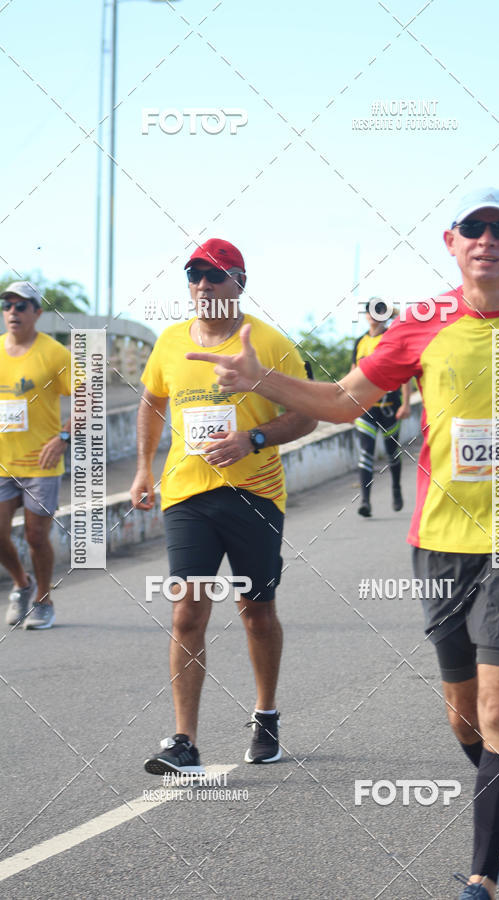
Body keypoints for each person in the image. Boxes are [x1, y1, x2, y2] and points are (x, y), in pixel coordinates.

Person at [188, 190, 499, 898]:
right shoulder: (423, 322)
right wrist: (262, 380)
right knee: (464, 716)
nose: (488, 239)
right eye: (474, 227)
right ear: (452, 241)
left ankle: (480, 879)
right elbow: (346, 399)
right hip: (439, 540)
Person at [130, 238, 316, 775]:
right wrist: (144, 467)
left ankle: (266, 714)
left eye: (215, 275)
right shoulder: (169, 342)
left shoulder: (270, 341)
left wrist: (252, 438)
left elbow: (307, 415)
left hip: (255, 493)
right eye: (195, 275)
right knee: (187, 607)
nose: (204, 285)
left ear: (240, 282)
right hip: (187, 493)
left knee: (255, 612)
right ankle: (184, 741)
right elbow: (152, 400)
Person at [1, 281, 71, 630]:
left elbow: (89, 397)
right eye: (8, 305)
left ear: (37, 313)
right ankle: (22, 583)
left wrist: (64, 436)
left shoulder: (54, 353)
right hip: (2, 462)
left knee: (35, 536)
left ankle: (44, 600)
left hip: (41, 464)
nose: (13, 312)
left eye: (22, 306)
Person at [351, 301, 411, 517]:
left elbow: (404, 373)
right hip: (366, 408)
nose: (375, 316)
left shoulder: (392, 340)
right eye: (371, 312)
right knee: (365, 455)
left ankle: (396, 488)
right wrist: (347, 405)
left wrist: (405, 403)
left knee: (392, 454)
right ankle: (365, 502)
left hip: (389, 408)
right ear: (366, 315)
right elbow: (352, 376)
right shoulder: (360, 342)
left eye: (380, 312)